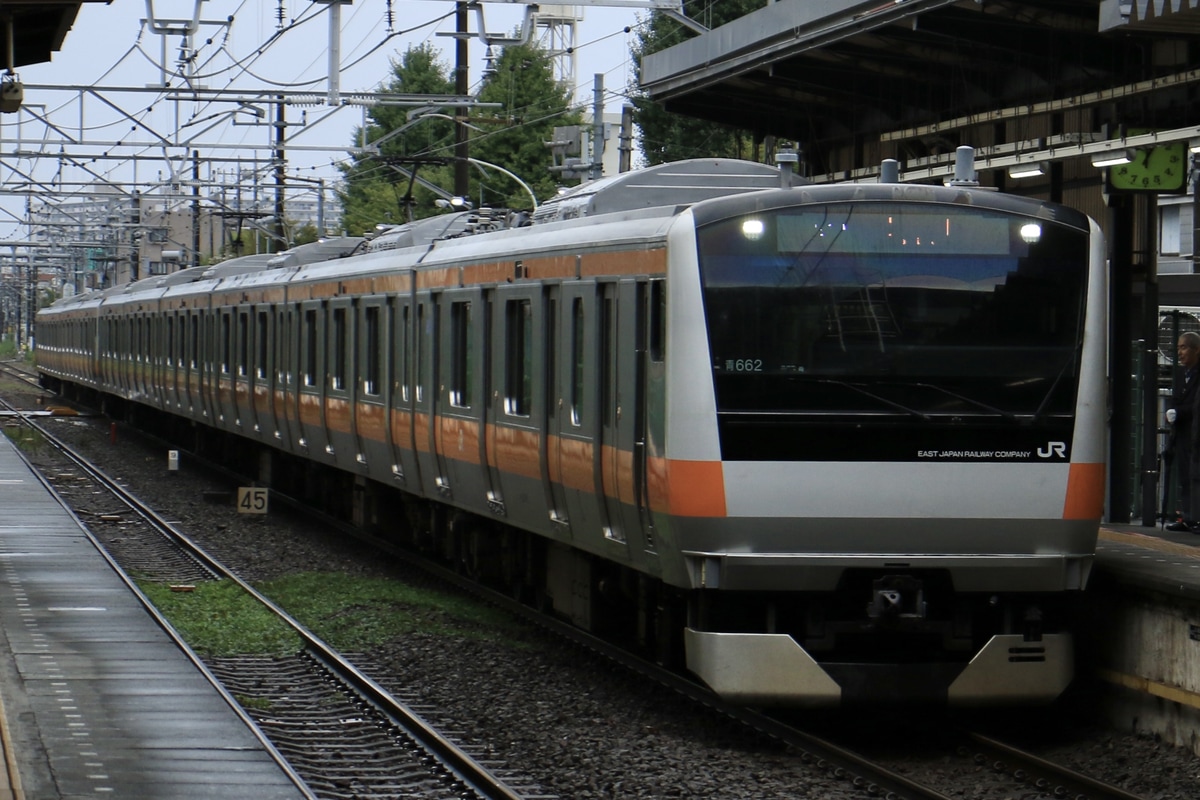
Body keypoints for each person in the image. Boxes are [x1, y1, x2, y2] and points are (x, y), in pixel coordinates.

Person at [1165, 331, 1200, 531]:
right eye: (1178, 347)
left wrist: (1177, 411)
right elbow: (1177, 398)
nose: (1180, 352)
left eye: (1184, 347)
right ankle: (1188, 516)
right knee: (1185, 476)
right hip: (1182, 434)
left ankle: (1196, 517)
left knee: (1196, 475)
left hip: (1196, 432)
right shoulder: (1180, 374)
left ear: (1197, 350)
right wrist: (1171, 410)